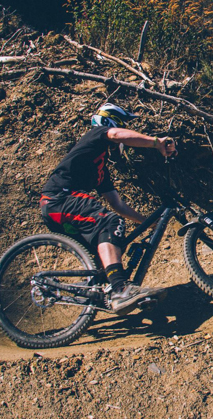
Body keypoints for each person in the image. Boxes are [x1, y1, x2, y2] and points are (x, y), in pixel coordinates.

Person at [39, 102, 177, 313]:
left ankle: (95, 293)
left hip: (58, 208)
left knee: (111, 240)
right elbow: (115, 134)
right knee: (109, 222)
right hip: (59, 199)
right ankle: (120, 290)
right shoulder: (96, 135)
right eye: (122, 124)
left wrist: (148, 222)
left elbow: (117, 203)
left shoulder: (100, 169)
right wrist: (155, 142)